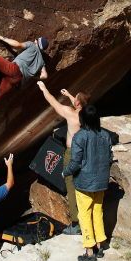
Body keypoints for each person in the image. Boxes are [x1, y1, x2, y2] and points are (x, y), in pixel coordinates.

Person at [37, 81, 90, 235]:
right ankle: (87, 216)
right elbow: (79, 103)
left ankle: (76, 223)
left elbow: (53, 103)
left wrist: (44, 88)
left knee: (71, 186)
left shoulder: (70, 113)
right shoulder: (87, 114)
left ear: (78, 103)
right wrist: (69, 95)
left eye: (76, 99)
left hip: (72, 153)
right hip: (85, 153)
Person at [62, 104, 113, 261]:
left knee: (84, 214)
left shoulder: (80, 136)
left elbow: (75, 162)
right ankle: (100, 245)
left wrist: (66, 172)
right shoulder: (105, 135)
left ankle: (89, 251)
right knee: (97, 211)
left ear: (82, 119)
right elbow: (109, 158)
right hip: (101, 182)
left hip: (84, 183)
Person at [0, 34, 49, 123]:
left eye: (36, 39)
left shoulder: (32, 45)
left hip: (13, 69)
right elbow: (44, 75)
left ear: (37, 42)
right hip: (17, 80)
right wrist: (33, 76)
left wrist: (2, 38)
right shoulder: (41, 62)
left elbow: (17, 45)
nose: (34, 40)